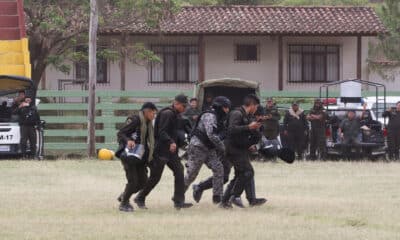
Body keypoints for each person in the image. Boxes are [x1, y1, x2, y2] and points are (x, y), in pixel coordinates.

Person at [135, 94, 193, 210]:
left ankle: (178, 201)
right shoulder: (168, 114)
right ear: (176, 103)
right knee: (155, 177)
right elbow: (162, 132)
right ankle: (140, 197)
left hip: (171, 152)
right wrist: (171, 142)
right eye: (183, 106)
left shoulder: (175, 114)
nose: (185, 108)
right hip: (161, 150)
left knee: (179, 170)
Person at [220, 94, 267, 208]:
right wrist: (249, 127)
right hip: (232, 149)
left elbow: (245, 132)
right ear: (252, 105)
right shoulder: (237, 113)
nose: (256, 110)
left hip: (239, 148)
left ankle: (225, 202)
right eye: (256, 107)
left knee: (240, 175)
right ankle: (234, 196)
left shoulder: (246, 115)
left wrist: (255, 130)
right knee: (248, 172)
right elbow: (231, 130)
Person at [184, 96, 231, 204]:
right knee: (191, 174)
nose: (227, 110)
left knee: (219, 169)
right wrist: (222, 147)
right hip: (198, 147)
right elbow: (211, 134)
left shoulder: (219, 117)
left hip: (209, 149)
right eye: (225, 107)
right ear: (220, 107)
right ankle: (178, 196)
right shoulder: (209, 115)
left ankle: (217, 197)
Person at [115, 102, 157, 212]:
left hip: (140, 155)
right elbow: (121, 133)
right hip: (130, 155)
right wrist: (128, 140)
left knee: (143, 182)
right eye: (153, 113)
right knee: (133, 181)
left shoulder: (148, 124)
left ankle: (124, 195)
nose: (154, 115)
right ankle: (124, 204)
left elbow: (148, 141)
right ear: (147, 111)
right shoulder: (135, 120)